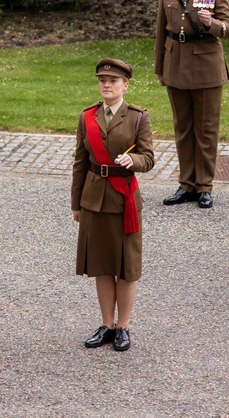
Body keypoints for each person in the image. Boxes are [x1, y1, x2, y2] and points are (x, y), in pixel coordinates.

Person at [71, 58, 154, 351]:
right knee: (102, 265)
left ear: (125, 85)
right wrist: (76, 204)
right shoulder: (87, 117)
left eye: (113, 81)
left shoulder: (137, 117)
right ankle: (107, 324)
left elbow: (149, 157)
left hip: (124, 200)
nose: (107, 85)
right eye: (102, 81)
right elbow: (80, 163)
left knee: (126, 266)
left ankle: (123, 326)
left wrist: (135, 160)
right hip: (94, 199)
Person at [155, 0, 229, 209]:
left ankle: (204, 186)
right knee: (182, 127)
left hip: (206, 68)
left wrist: (213, 24)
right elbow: (160, 32)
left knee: (206, 129)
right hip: (175, 64)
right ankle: (186, 184)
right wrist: (160, 67)